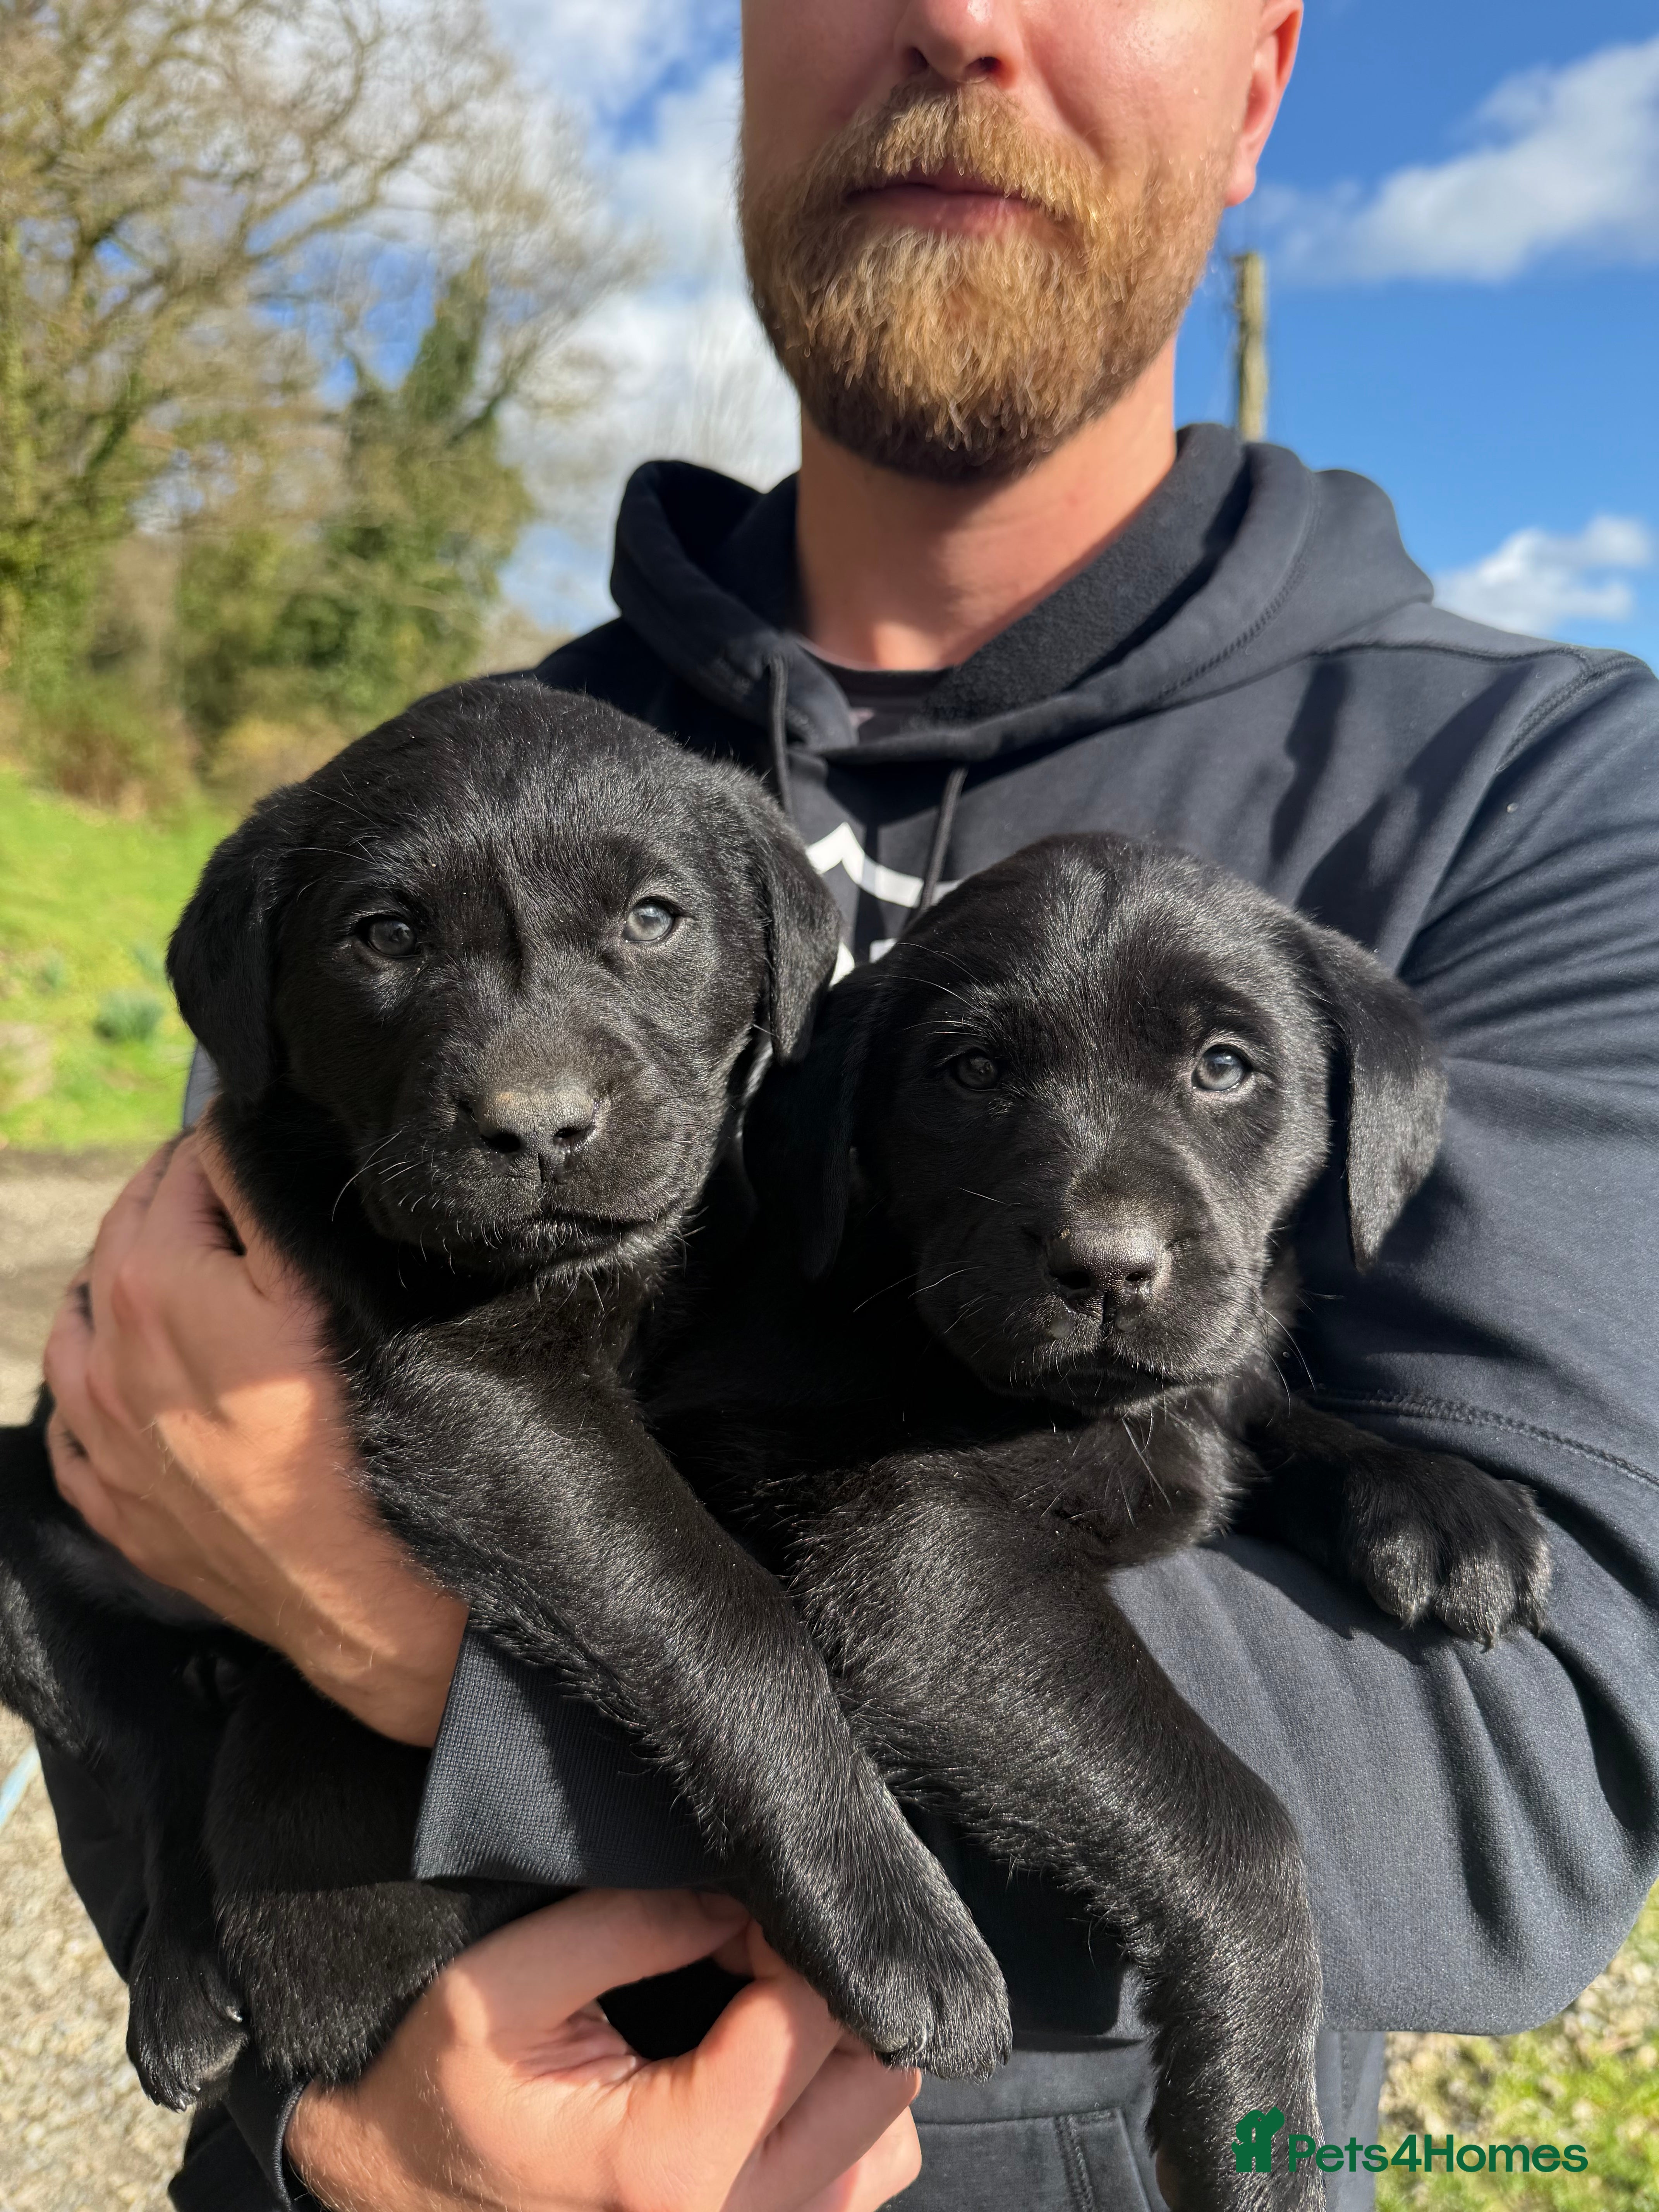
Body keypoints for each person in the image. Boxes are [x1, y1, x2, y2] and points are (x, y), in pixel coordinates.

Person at [36, 0, 1659, 2205]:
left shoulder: (1543, 799)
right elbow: (137, 1475)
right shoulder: (465, 798)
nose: (962, 19)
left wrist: (441, 1659)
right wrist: (317, 2128)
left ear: (1264, 72)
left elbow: (1519, 1789)